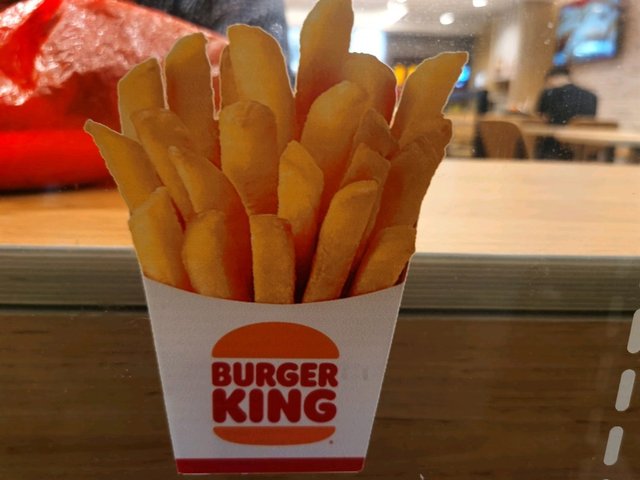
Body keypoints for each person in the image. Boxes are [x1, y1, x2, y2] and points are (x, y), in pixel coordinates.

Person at [536, 65, 598, 159]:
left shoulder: (549, 93)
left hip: (555, 149)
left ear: (551, 79)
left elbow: (540, 118)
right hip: (585, 148)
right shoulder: (591, 96)